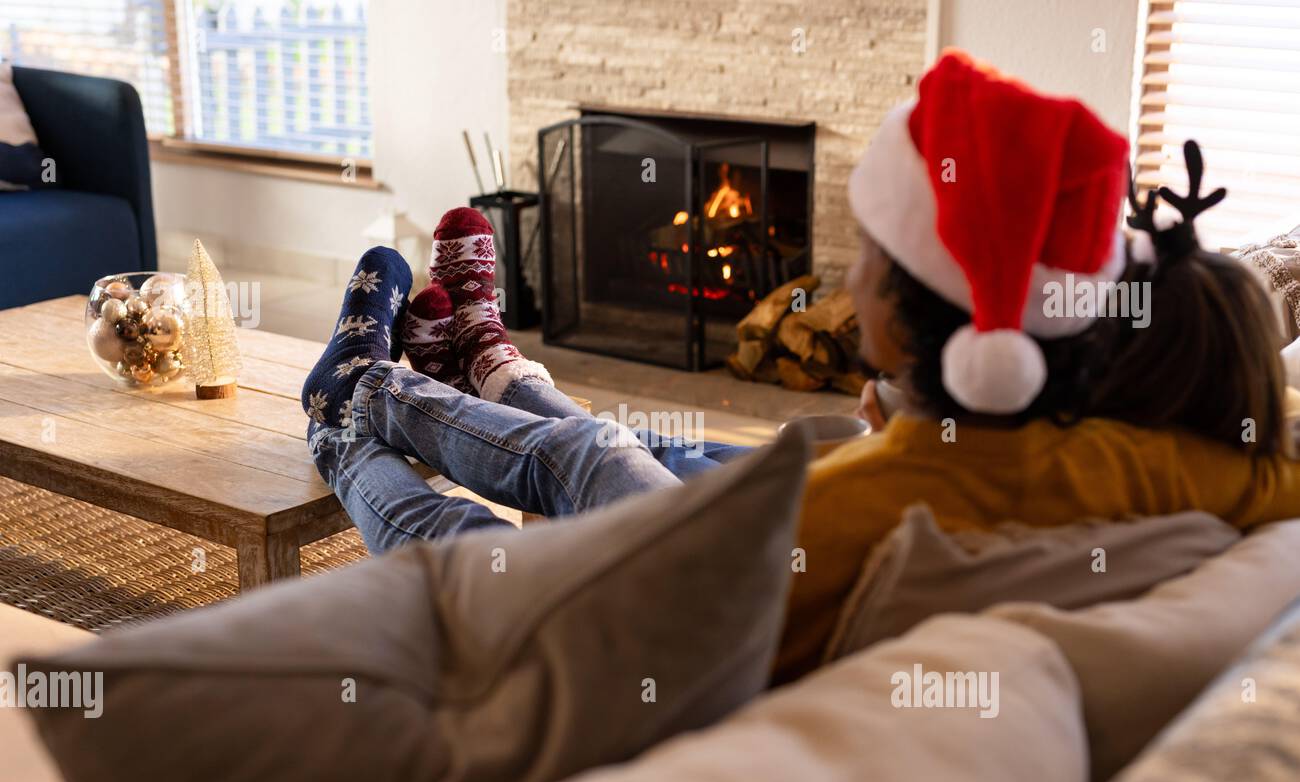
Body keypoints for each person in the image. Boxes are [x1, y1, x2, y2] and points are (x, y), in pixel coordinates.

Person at [302, 50, 1300, 687]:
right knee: (619, 445)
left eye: (867, 251)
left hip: (656, 629)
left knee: (577, 467)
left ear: (914, 329)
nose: (842, 276)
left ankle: (354, 409)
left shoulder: (903, 490)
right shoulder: (1198, 459)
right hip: (782, 546)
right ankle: (482, 362)